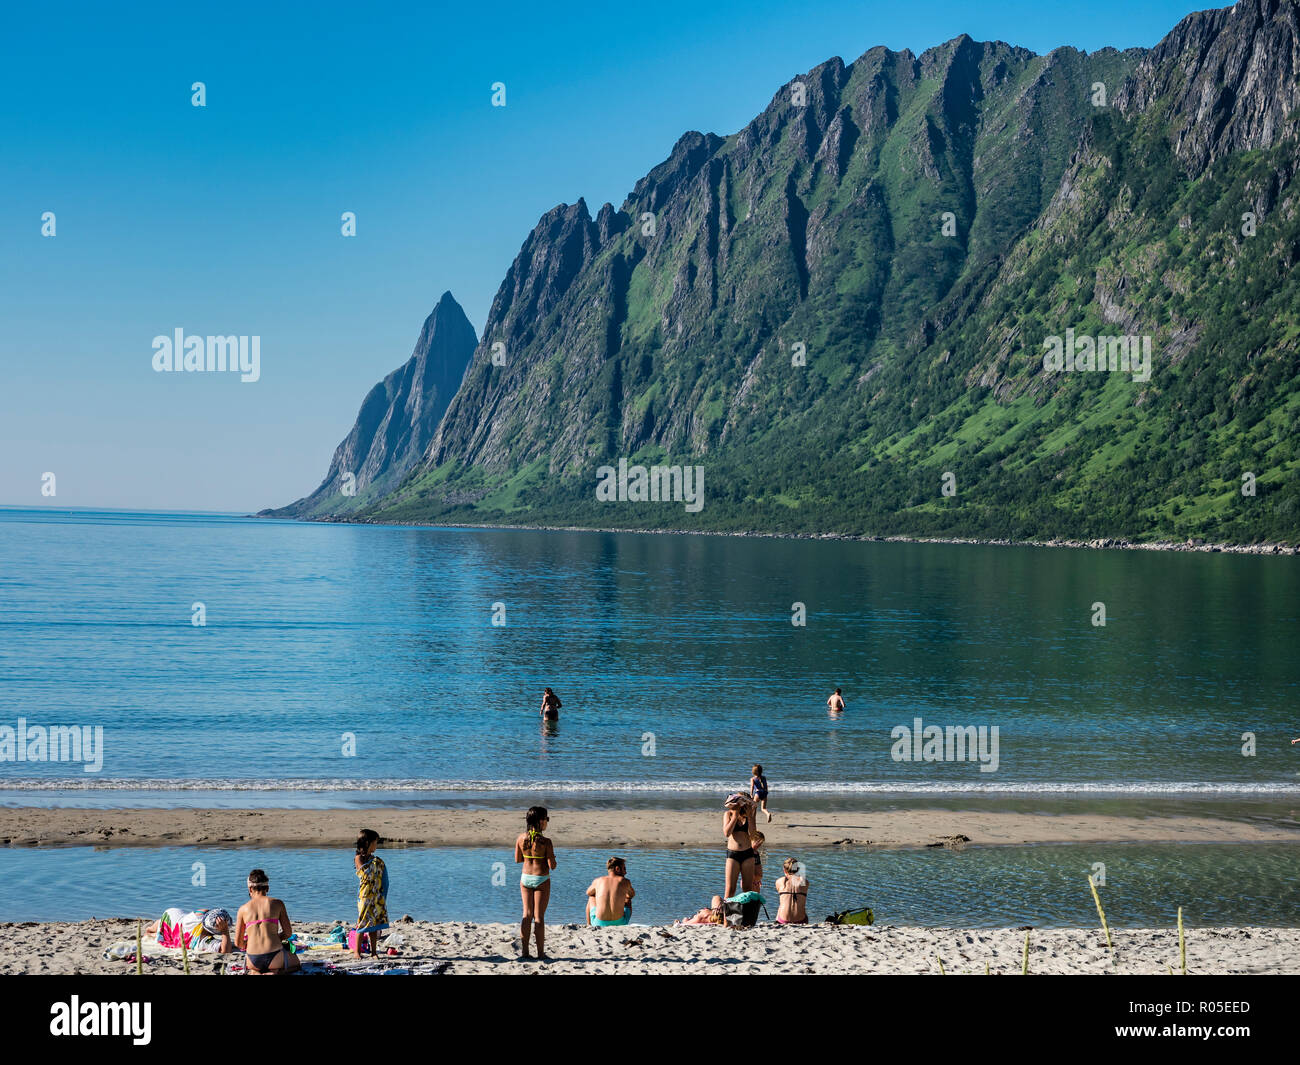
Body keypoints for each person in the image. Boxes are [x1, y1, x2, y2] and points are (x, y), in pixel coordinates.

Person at [234, 869, 300, 974]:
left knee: (254, 968)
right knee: (296, 964)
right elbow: (288, 933)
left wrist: (249, 942)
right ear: (267, 888)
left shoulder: (243, 909)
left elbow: (238, 943)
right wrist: (276, 938)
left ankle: (255, 971)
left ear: (250, 889)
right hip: (275, 955)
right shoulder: (277, 903)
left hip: (253, 958)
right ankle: (274, 972)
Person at [515, 806, 556, 959]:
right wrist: (550, 858)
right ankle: (540, 953)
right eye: (547, 819)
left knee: (526, 914)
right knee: (539, 917)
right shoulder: (546, 841)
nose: (547, 822)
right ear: (540, 821)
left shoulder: (520, 838)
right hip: (541, 879)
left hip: (525, 878)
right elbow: (552, 866)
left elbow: (517, 859)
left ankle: (525, 952)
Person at [354, 828, 389, 959]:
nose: (376, 845)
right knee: (362, 923)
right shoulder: (359, 858)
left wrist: (383, 897)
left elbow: (384, 880)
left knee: (374, 925)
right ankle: (357, 952)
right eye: (375, 842)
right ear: (367, 842)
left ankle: (374, 952)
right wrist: (375, 862)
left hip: (376, 897)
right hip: (364, 897)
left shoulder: (377, 861)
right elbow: (364, 874)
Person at [723, 793, 758, 898]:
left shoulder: (749, 814)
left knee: (747, 888)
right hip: (733, 854)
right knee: (730, 889)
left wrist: (750, 816)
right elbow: (727, 833)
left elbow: (752, 835)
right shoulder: (728, 814)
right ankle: (727, 914)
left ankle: (746, 913)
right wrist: (735, 814)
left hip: (747, 853)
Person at [586, 857, 635, 927]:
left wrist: (601, 894)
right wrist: (622, 896)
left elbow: (588, 893)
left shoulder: (598, 880)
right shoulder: (625, 881)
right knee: (628, 899)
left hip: (599, 923)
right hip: (621, 923)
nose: (626, 872)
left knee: (591, 897)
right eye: (624, 869)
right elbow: (632, 895)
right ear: (617, 869)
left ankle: (589, 924)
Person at [774, 858, 810, 925]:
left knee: (781, 906)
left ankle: (778, 921)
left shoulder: (779, 881)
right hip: (801, 920)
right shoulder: (804, 882)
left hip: (783, 920)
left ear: (784, 870)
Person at [750, 829, 766, 897]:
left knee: (757, 898)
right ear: (752, 840)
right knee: (752, 898)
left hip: (756, 881)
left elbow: (757, 867)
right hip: (751, 881)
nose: (760, 845)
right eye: (758, 843)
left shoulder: (756, 852)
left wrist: (759, 879)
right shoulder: (749, 852)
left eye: (761, 844)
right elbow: (749, 867)